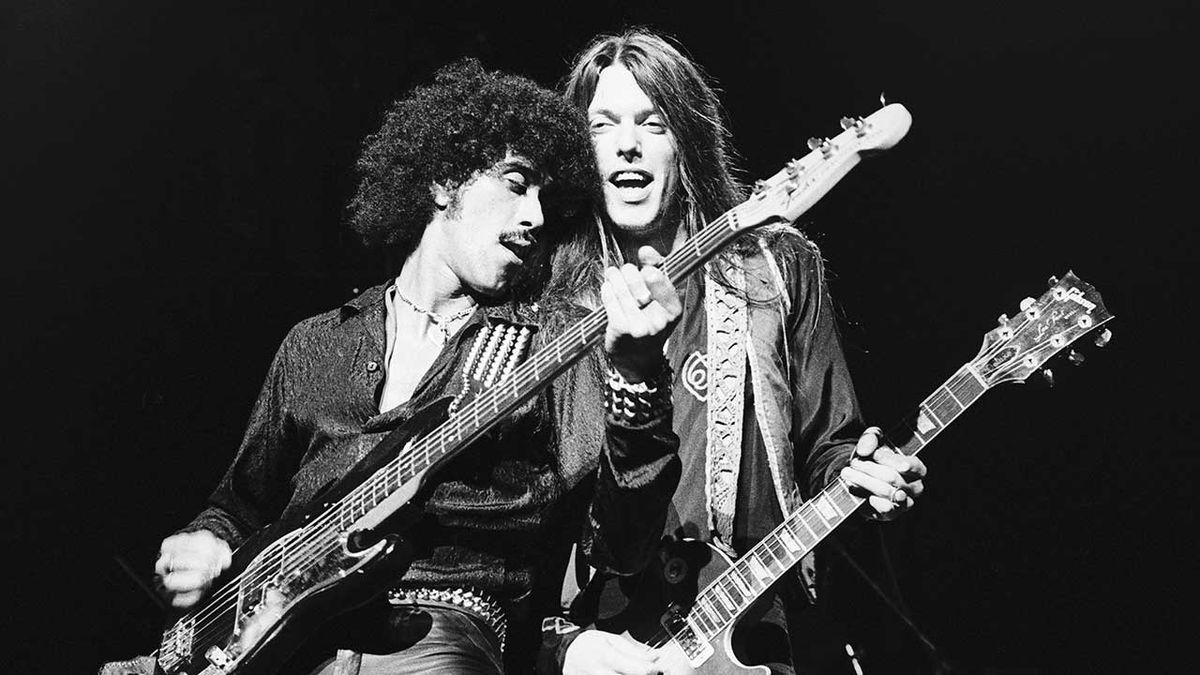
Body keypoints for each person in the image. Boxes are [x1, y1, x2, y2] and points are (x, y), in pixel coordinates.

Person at [105, 58, 686, 675]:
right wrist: (208, 540)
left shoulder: (551, 345)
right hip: (273, 639)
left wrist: (639, 374)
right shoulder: (316, 344)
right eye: (517, 184)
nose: (537, 216)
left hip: (438, 633)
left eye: (547, 198)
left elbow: (622, 543)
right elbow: (242, 502)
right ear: (444, 181)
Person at [537, 29, 929, 675]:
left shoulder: (774, 266)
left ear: (686, 142)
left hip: (756, 620)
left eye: (652, 123)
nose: (627, 142)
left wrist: (866, 474)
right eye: (603, 125)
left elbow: (830, 441)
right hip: (604, 635)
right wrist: (562, 645)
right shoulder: (554, 301)